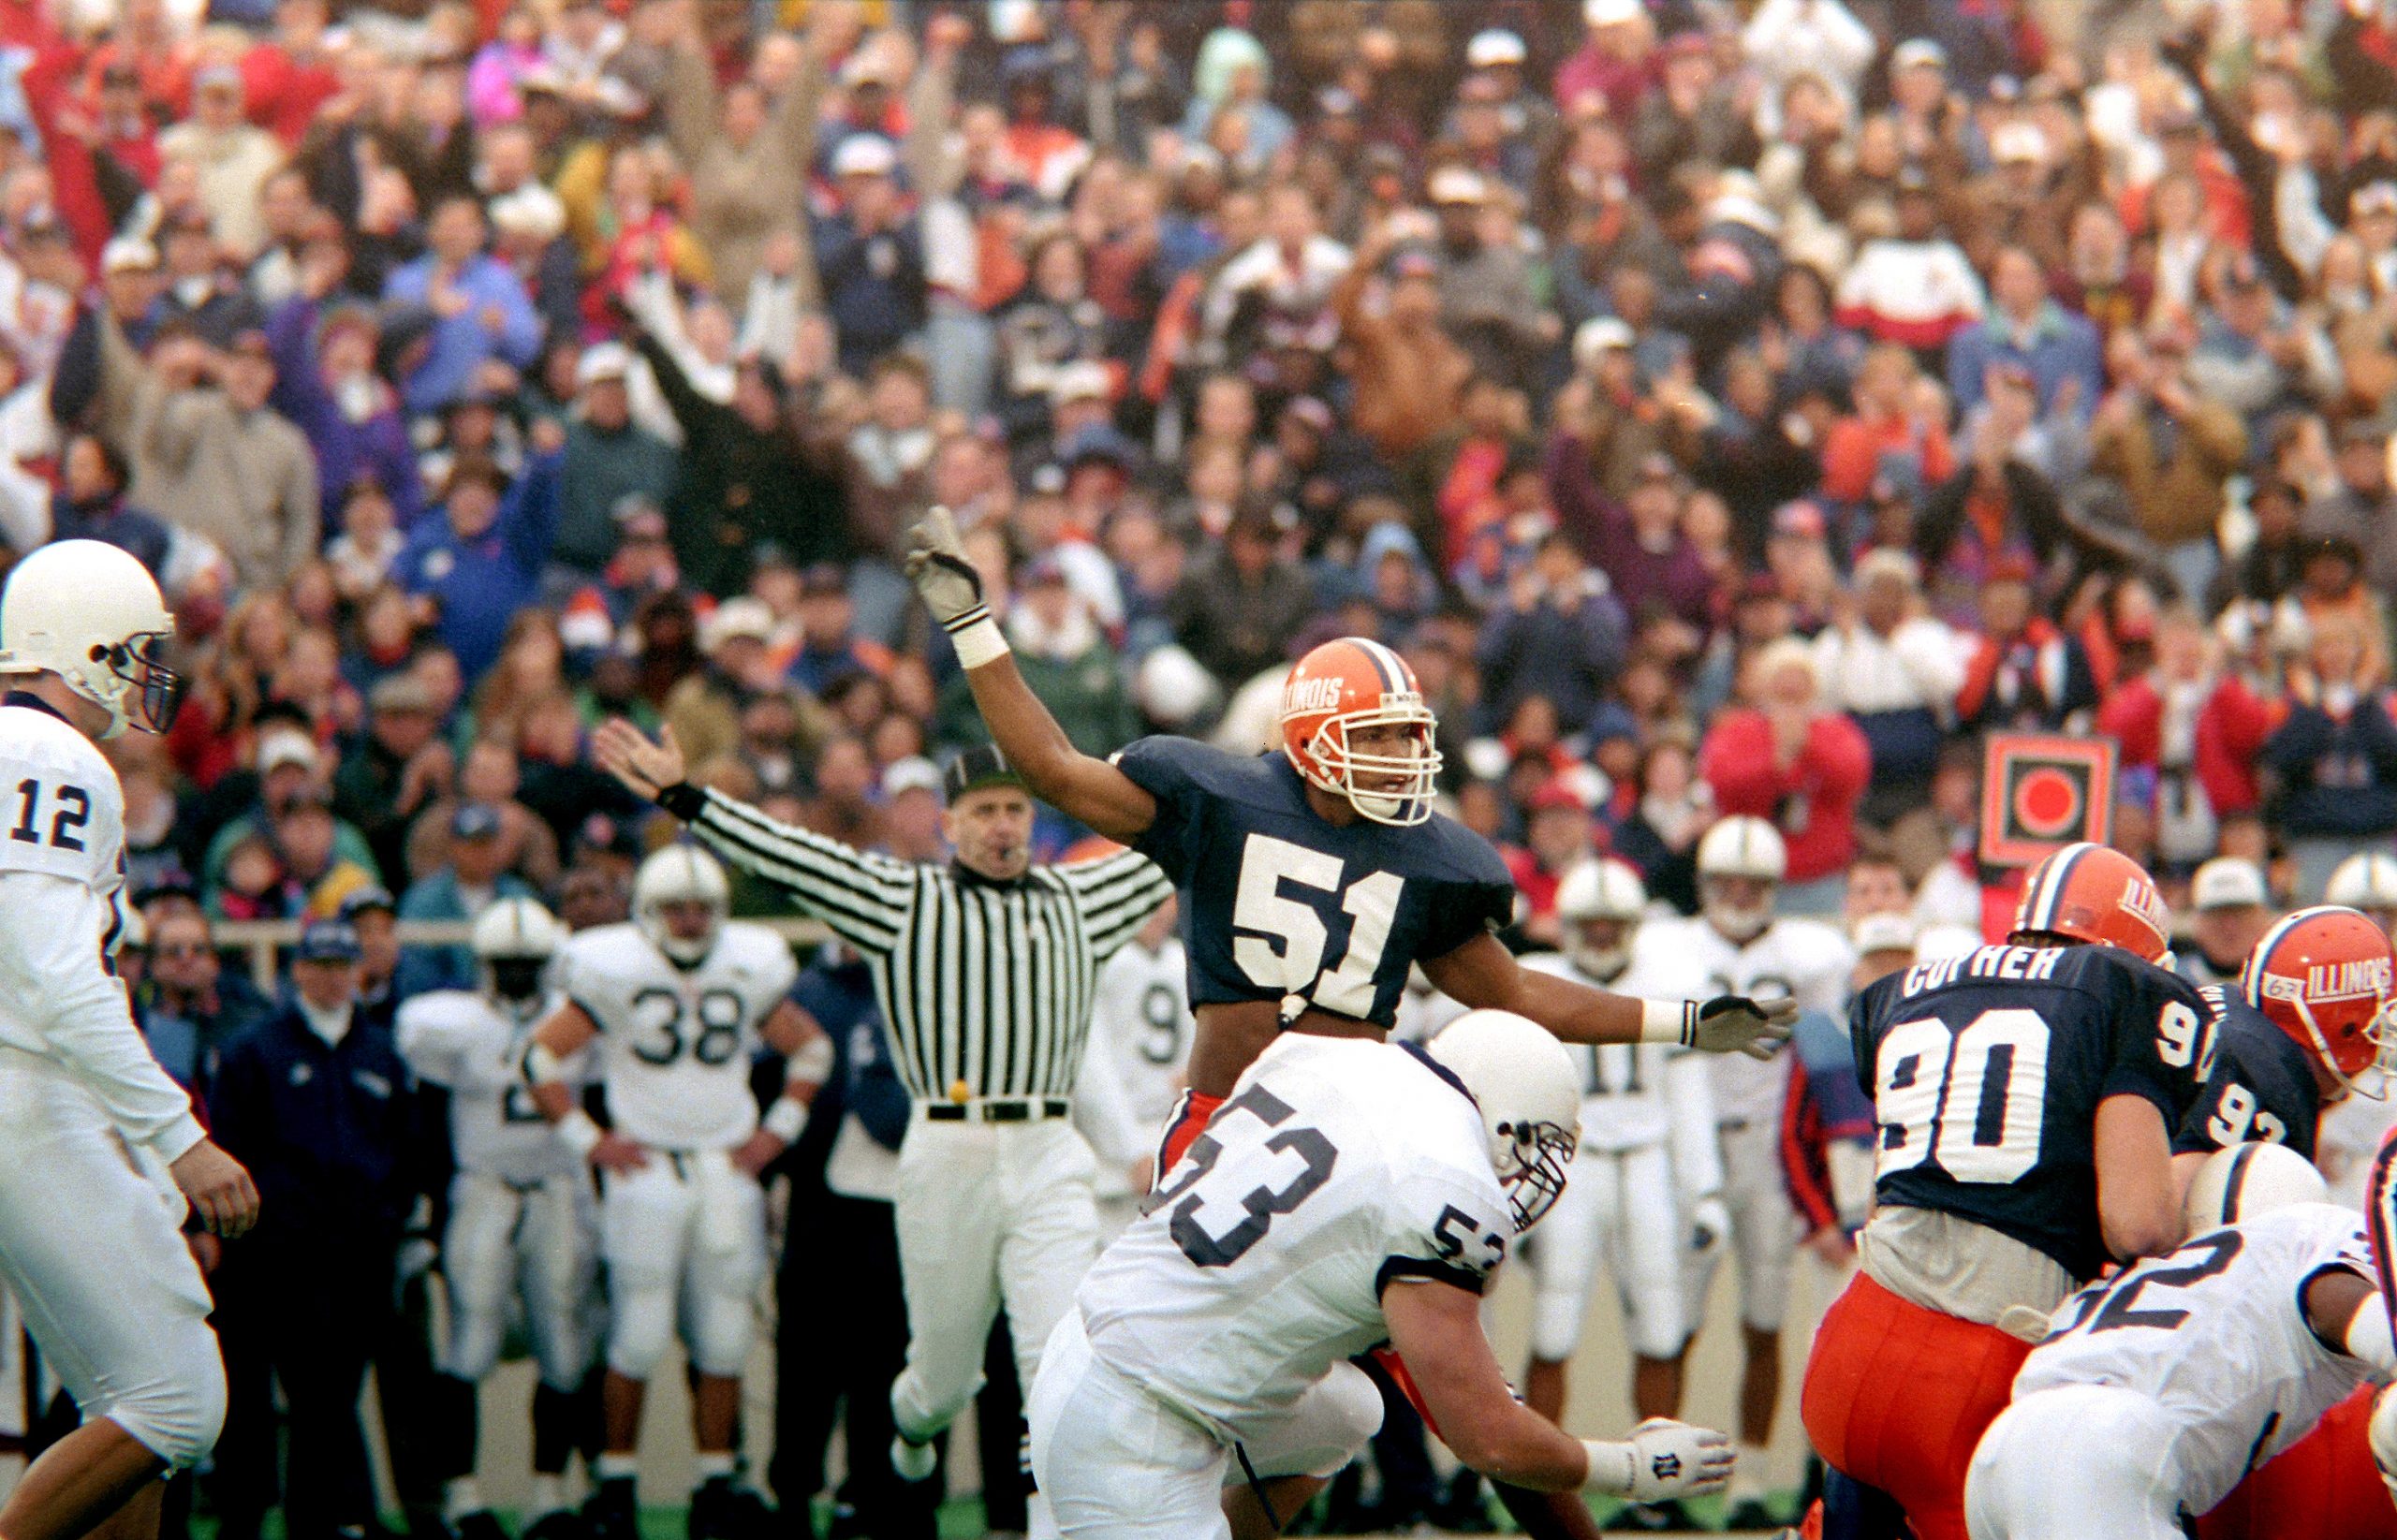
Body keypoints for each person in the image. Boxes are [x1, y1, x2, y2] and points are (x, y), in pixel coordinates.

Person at [901, 505, 1790, 1536]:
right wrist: (974, 626)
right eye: (1378, 736)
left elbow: (1516, 992)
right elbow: (1052, 767)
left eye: (1412, 736)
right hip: (1233, 1129)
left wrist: (1677, 1019)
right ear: (1311, 735)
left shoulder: (1426, 856)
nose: (1405, 758)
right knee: (1395, 1381)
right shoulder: (1219, 799)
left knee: (1397, 1396)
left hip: (1362, 1142)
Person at [586, 729, 1172, 1527]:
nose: (1002, 825)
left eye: (1014, 809)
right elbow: (791, 857)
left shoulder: (1082, 900)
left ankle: (1052, 1521)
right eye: (983, 811)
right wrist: (683, 797)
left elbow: (1189, 845)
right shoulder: (905, 901)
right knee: (941, 1373)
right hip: (946, 1147)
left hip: (1046, 1146)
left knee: (1055, 1355)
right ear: (949, 825)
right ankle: (913, 1431)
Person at [1027, 1009, 1738, 1535]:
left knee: (1349, 1407)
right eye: (1531, 1147)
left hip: (1097, 1347)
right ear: (1504, 1121)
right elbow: (1487, 1434)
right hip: (1136, 1426)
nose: (1524, 1174)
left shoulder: (1336, 1060)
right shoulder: (1443, 1183)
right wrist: (1633, 1467)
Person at [1800, 841, 2210, 1540]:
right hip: (1971, 1371)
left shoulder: (1915, 984)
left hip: (1848, 1343)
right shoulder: (2124, 991)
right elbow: (2137, 1226)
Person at [0, 540, 257, 1540]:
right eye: (134, 647)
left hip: (31, 1087)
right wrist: (178, 1139)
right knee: (177, 1396)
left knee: (126, 1393)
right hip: (27, 1084)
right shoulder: (51, 753)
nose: (147, 672)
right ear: (84, 640)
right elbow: (62, 979)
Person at [522, 846, 827, 1540]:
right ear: (649, 913)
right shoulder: (615, 965)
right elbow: (538, 1057)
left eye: (702, 909)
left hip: (724, 1167)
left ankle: (715, 1482)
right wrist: (589, 1140)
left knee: (723, 1334)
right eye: (677, 909)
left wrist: (774, 1135)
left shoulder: (746, 964)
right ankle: (617, 1483)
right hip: (647, 1166)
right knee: (638, 1331)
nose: (690, 921)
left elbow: (811, 1050)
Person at [1966, 1164, 2390, 1540]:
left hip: (2001, 1458)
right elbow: (2339, 1299)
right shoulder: (2320, 1231)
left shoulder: (2155, 1275)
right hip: (2104, 1447)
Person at [1635, 815, 1852, 1527]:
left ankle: (1752, 1481)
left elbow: (1822, 1062)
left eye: (1752, 882)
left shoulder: (1811, 953)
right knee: (1675, 1322)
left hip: (1771, 1150)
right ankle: (1657, 1479)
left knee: (1764, 1319)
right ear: (1702, 883)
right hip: (1690, 1146)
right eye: (1726, 880)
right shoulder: (1670, 946)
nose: (1738, 892)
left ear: (1774, 887)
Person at [210, 918, 424, 1540]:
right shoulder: (257, 1049)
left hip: (355, 1257)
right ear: (297, 969)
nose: (332, 977)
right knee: (249, 1398)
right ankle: (240, 1519)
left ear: (359, 969)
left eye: (342, 964)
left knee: (328, 1402)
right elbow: (231, 1143)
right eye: (320, 964)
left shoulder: (382, 1053)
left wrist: (388, 1222)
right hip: (273, 1257)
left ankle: (318, 1521)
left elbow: (408, 1152)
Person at [395, 898, 596, 1540]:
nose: (515, 976)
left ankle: (547, 1496)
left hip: (558, 1187)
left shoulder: (577, 1023)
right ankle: (464, 1497)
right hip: (483, 1189)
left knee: (563, 1347)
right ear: (483, 964)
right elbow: (425, 1113)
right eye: (505, 965)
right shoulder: (452, 1023)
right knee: (471, 1343)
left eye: (527, 965)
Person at [1514, 861, 1720, 1446]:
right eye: (1590, 925)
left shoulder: (1667, 975)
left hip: (1648, 1160)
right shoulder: (1535, 979)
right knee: (1552, 1329)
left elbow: (1688, 1096)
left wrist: (1703, 1191)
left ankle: (1658, 1472)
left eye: (1612, 925)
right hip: (1570, 1167)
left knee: (1662, 1326)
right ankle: (1539, 1478)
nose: (1602, 936)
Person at [2173, 908, 2396, 1183]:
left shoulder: (2242, 1017)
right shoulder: (2268, 1080)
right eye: (2377, 1018)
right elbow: (2171, 1197)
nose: (2380, 1032)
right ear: (2344, 1023)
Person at [1073, 894, 1195, 1240]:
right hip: (1115, 1160)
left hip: (1176, 1137)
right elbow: (1093, 1071)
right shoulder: (1100, 963)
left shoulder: (1184, 959)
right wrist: (1132, 1152)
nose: (1154, 912)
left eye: (1163, 899)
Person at [2180, 857, 2275, 989]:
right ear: (2196, 921)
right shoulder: (2171, 987)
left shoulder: (2284, 985)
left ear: (2264, 918)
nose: (2229, 927)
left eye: (2240, 913)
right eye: (2216, 914)